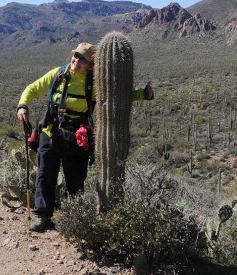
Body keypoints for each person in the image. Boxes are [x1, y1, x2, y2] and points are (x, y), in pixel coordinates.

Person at [17, 42, 153, 232]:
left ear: (91, 65)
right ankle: (44, 216)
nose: (77, 61)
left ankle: (75, 218)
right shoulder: (59, 74)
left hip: (76, 137)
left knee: (75, 179)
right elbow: (33, 88)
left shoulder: (95, 83)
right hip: (51, 131)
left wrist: (143, 94)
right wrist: (23, 105)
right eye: (75, 56)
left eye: (83, 59)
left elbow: (118, 96)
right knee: (45, 175)